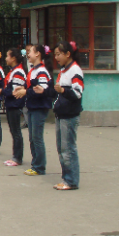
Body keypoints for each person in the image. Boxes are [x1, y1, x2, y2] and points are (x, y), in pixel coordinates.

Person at [13, 43, 54, 177]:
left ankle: (39, 166)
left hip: (39, 108)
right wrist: (22, 88)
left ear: (38, 54)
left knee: (37, 138)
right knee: (32, 137)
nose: (27, 54)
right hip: (32, 106)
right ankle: (35, 164)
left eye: (30, 52)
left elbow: (40, 90)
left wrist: (26, 91)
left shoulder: (42, 71)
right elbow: (30, 85)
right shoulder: (33, 70)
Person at [53, 41, 84, 190]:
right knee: (61, 149)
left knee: (68, 148)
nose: (56, 57)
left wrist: (63, 91)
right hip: (61, 114)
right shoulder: (63, 70)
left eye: (59, 54)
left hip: (69, 116)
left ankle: (71, 181)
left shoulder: (75, 70)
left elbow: (77, 93)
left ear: (68, 54)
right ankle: (66, 178)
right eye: (55, 55)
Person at [0, 48, 27, 166]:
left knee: (16, 132)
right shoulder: (13, 71)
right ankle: (15, 156)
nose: (5, 58)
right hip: (11, 104)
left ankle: (17, 157)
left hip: (15, 105)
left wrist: (1, 91)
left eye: (7, 56)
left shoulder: (18, 72)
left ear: (13, 58)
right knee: (14, 131)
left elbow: (14, 91)